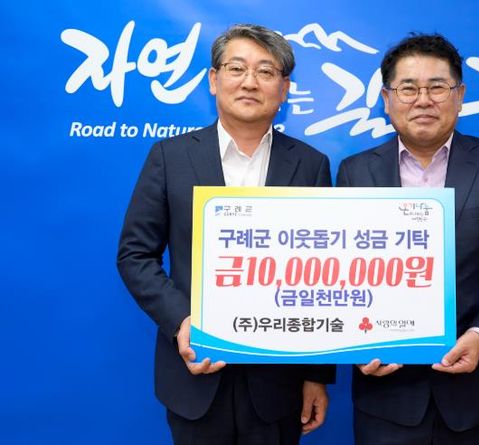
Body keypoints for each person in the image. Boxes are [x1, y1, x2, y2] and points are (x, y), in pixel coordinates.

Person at [117, 24, 334, 445]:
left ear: (284, 89)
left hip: (279, 382)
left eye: (265, 71)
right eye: (237, 68)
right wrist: (182, 321)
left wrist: (315, 375)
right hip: (195, 372)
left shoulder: (311, 165)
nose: (250, 82)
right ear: (214, 80)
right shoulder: (170, 157)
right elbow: (135, 255)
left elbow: (322, 276)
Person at [336, 33, 479, 445]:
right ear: (386, 99)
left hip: (477, 394)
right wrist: (355, 345)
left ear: (460, 96)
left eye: (437, 87)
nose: (423, 100)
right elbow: (339, 273)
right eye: (408, 88)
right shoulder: (355, 172)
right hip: (386, 396)